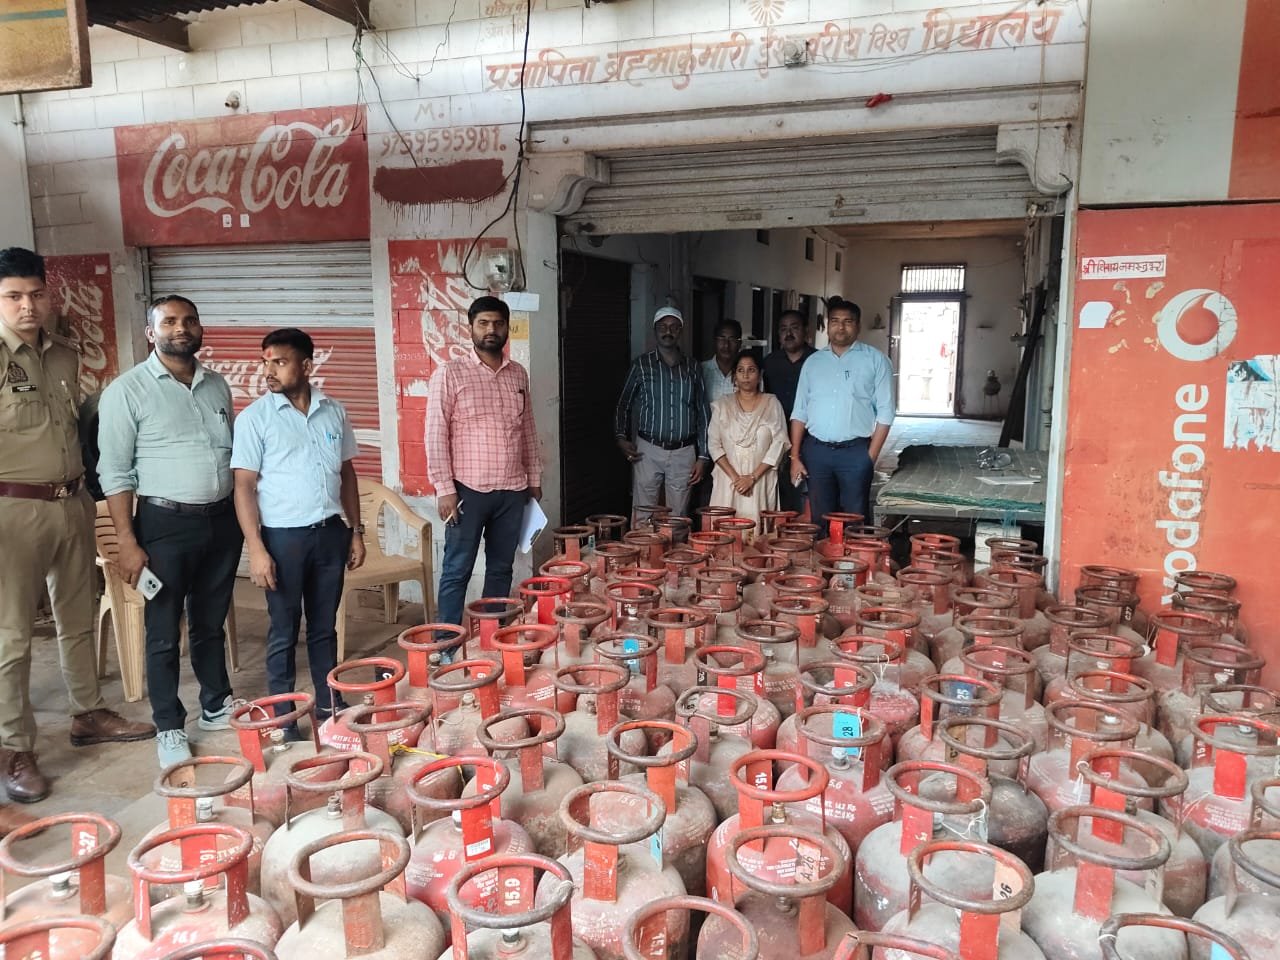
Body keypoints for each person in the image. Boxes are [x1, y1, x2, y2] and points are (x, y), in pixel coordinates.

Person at [0, 248, 154, 812]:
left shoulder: (62, 355)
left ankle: (88, 713)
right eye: (13, 295)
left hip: (70, 502)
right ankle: (15, 749)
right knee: (12, 638)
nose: (27, 305)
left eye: (36, 294)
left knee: (77, 620)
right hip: (10, 510)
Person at [98, 294, 240, 767]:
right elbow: (115, 472)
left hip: (220, 522)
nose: (182, 328)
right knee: (162, 630)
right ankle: (169, 726)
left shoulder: (217, 386)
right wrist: (127, 540)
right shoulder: (127, 390)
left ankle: (217, 705)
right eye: (170, 321)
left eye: (190, 320)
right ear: (150, 332)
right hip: (163, 524)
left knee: (209, 622)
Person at [231, 328, 366, 733]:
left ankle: (329, 704)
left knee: (325, 627)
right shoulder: (255, 419)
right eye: (265, 362)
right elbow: (243, 486)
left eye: (280, 362)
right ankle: (285, 717)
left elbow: (347, 474)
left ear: (306, 366)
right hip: (283, 538)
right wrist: (256, 548)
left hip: (329, 533)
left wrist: (355, 531)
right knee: (284, 629)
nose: (269, 370)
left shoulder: (333, 411)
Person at [426, 297, 541, 643]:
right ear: (471, 327)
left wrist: (533, 481)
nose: (492, 330)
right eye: (484, 324)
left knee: (501, 568)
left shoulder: (517, 374)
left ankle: (493, 638)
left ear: (507, 329)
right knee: (457, 569)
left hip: (511, 490)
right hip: (467, 492)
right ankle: (445, 643)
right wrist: (444, 489)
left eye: (498, 324)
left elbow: (528, 431)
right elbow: (434, 434)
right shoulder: (450, 373)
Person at [789, 298, 894, 530]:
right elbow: (800, 411)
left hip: (855, 452)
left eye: (848, 321)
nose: (841, 327)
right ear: (828, 325)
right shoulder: (813, 363)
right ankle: (826, 562)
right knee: (820, 517)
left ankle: (853, 563)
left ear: (857, 325)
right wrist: (795, 457)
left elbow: (886, 413)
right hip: (817, 452)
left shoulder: (876, 361)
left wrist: (870, 457)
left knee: (855, 517)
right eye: (835, 321)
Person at [614, 307, 710, 519]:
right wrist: (621, 438)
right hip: (647, 450)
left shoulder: (693, 367)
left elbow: (703, 412)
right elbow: (623, 404)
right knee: (643, 514)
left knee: (678, 516)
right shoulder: (641, 365)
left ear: (681, 331)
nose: (668, 331)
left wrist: (703, 456)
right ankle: (643, 552)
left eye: (674, 327)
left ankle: (675, 551)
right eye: (663, 327)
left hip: (684, 452)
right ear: (655, 330)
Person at [708, 350, 789, 528]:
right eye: (740, 370)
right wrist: (737, 479)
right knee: (726, 533)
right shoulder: (722, 405)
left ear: (760, 375)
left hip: (760, 481)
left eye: (751, 370)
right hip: (728, 481)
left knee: (757, 533)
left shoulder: (772, 403)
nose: (745, 376)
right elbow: (714, 444)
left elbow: (779, 443)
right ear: (734, 377)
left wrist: (752, 478)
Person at [763, 308, 816, 513]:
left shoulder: (818, 361)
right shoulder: (769, 362)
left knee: (811, 491)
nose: (789, 333)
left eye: (794, 328)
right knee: (780, 488)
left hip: (811, 437)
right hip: (777, 437)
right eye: (784, 329)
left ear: (805, 331)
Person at [701, 319, 742, 404]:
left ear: (739, 343)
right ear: (715, 341)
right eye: (722, 339)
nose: (726, 345)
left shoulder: (746, 374)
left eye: (732, 339)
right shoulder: (701, 371)